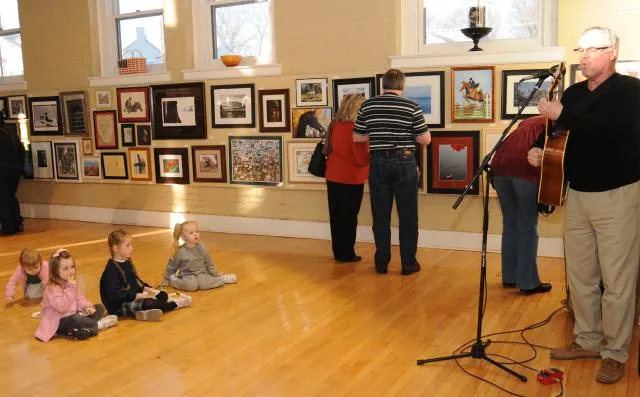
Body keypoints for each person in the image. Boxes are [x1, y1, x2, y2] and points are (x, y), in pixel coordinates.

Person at [528, 26, 640, 384]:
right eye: (582, 49)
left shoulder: (631, 91)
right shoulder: (574, 93)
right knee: (580, 276)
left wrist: (562, 115)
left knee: (618, 280)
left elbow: (608, 128)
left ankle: (615, 352)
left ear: (613, 52)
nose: (585, 56)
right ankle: (588, 340)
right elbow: (562, 138)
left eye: (594, 49)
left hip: (618, 195)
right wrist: (542, 152)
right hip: (577, 195)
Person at [353, 69, 430, 275]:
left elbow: (358, 137)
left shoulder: (367, 105)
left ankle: (381, 262)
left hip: (378, 163)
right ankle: (408, 263)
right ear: (402, 85)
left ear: (383, 85)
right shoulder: (411, 106)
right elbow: (425, 140)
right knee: (408, 216)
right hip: (404, 162)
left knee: (380, 216)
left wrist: (378, 136)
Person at [490, 116, 551, 294]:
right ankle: (528, 282)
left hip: (500, 169)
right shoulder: (551, 122)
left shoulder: (527, 123)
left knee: (510, 223)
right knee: (527, 225)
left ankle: (509, 277)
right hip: (525, 170)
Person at [100, 229, 192, 322]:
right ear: (116, 248)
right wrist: (137, 296)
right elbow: (116, 295)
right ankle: (174, 305)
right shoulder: (111, 270)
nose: (132, 248)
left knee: (162, 294)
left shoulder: (126, 263)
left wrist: (149, 289)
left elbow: (136, 282)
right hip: (119, 306)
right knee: (149, 303)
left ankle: (144, 313)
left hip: (131, 298)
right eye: (128, 245)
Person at [35, 248, 118, 342]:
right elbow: (62, 307)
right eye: (65, 268)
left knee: (99, 308)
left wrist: (86, 307)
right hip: (58, 322)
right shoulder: (52, 288)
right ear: (55, 271)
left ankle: (85, 329)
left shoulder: (71, 282)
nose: (70, 271)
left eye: (72, 266)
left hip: (74, 314)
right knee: (76, 319)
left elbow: (79, 298)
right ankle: (98, 325)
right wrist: (70, 289)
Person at [325, 94, 369, 262]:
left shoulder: (334, 124)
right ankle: (347, 254)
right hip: (351, 178)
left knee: (336, 217)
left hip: (333, 175)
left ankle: (339, 252)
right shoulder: (355, 128)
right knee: (349, 217)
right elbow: (361, 159)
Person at [164, 221, 237, 291]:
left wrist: (215, 274)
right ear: (183, 237)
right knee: (191, 286)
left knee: (203, 284)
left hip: (202, 274)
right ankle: (174, 281)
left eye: (197, 231)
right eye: (191, 233)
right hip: (187, 275)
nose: (196, 234)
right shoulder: (180, 251)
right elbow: (171, 266)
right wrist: (167, 279)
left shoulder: (202, 247)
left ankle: (222, 279)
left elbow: (209, 263)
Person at [0, 115, 24, 235]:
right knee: (11, 197)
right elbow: (21, 151)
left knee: (3, 200)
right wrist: (20, 167)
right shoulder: (11, 133)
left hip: (2, 173)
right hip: (14, 172)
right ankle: (17, 224)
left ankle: (7, 227)